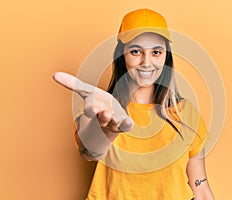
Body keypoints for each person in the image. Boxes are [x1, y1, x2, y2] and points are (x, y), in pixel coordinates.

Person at [53, 8, 214, 200]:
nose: (146, 62)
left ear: (166, 57)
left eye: (156, 52)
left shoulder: (186, 114)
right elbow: (87, 151)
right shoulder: (101, 108)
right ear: (122, 55)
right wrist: (108, 131)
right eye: (136, 51)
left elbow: (201, 187)